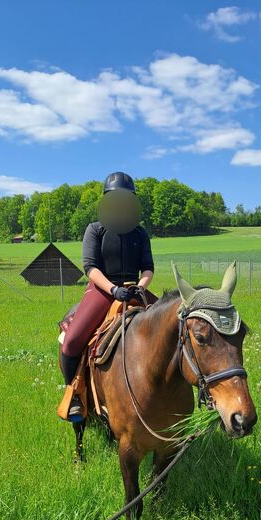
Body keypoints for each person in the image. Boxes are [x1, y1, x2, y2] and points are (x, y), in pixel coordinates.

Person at [60, 171, 155, 422]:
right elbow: (90, 267)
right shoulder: (95, 230)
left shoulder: (140, 233)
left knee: (174, 328)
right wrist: (113, 290)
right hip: (102, 289)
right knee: (71, 342)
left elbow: (148, 267)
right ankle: (75, 395)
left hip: (136, 290)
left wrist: (141, 287)